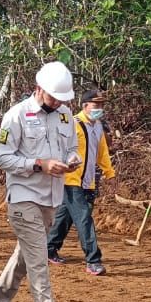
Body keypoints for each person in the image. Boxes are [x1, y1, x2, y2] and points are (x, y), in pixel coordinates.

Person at [0, 61, 79, 302]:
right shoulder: (16, 116)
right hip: (24, 196)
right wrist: (39, 164)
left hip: (52, 198)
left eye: (63, 99)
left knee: (27, 255)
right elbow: (2, 158)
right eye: (54, 97)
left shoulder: (66, 116)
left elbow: (73, 147)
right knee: (39, 262)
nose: (59, 103)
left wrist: (72, 159)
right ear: (39, 89)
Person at [46, 89, 117, 275]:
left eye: (102, 105)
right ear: (85, 106)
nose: (99, 109)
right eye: (96, 105)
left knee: (65, 217)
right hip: (70, 179)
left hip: (88, 181)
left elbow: (102, 152)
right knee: (84, 218)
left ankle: (49, 249)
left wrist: (110, 173)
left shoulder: (98, 126)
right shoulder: (72, 124)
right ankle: (93, 260)